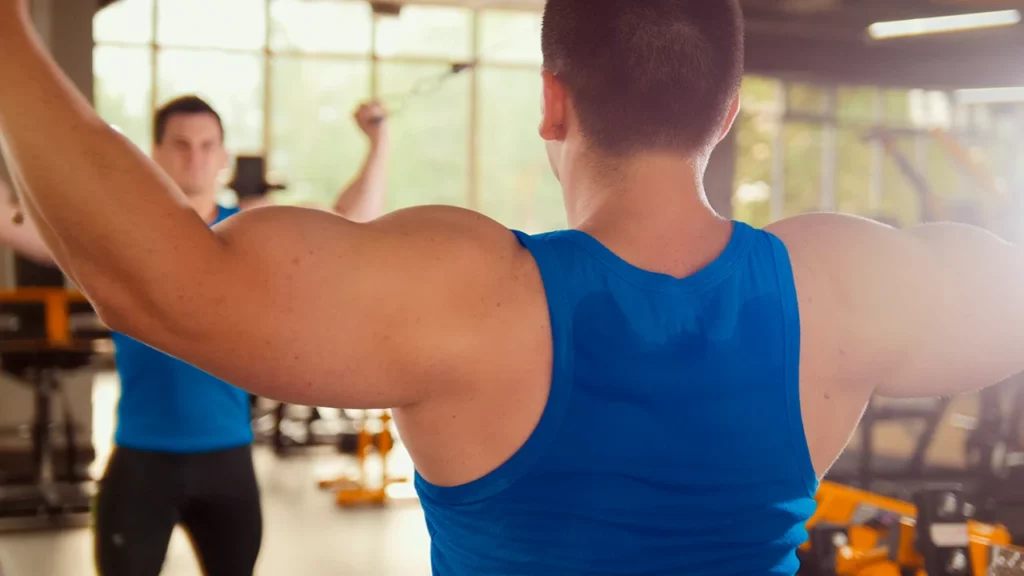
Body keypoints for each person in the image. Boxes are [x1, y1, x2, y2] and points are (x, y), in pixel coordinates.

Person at [1, 1, 1023, 574]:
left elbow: (160, 281)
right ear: (725, 111)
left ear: (551, 102)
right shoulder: (839, 285)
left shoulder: (475, 295)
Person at [0, 93, 389, 576]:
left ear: (223, 157)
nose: (195, 157)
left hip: (227, 460)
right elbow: (14, 222)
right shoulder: (123, 237)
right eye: (181, 145)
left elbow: (353, 224)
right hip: (141, 460)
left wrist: (379, 142)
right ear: (156, 153)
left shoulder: (250, 233)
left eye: (208, 145)